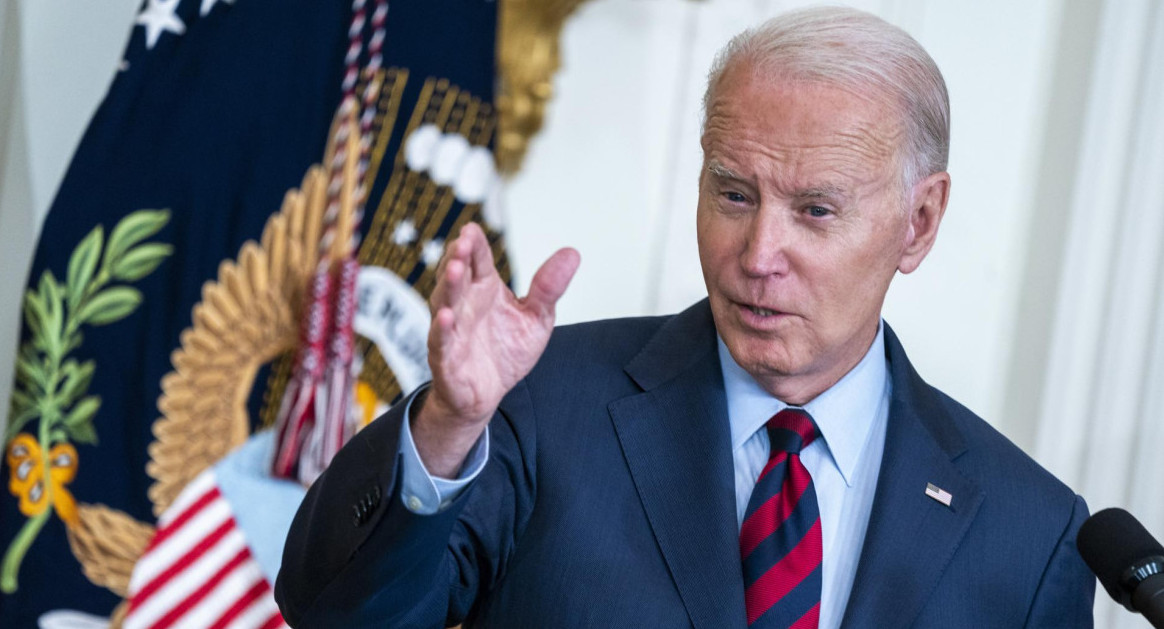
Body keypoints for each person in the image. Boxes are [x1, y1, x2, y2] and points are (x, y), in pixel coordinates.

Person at [275, 7, 1095, 628]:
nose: (759, 251)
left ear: (918, 222)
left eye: (814, 210)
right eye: (734, 193)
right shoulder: (537, 407)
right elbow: (338, 613)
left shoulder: (1030, 535)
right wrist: (450, 426)